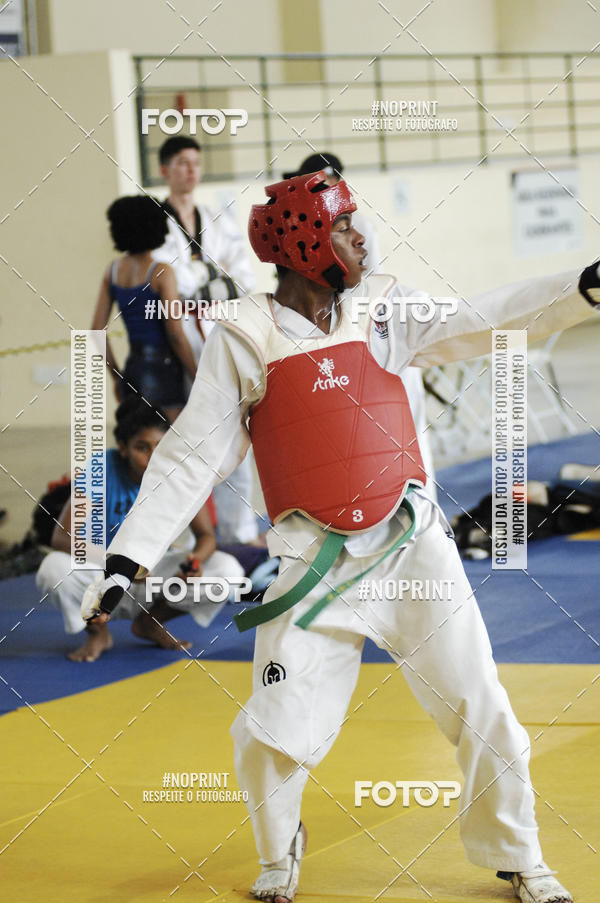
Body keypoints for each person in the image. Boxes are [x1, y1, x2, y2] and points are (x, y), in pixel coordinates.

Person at [81, 172, 596, 902]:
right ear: (302, 242)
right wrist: (124, 559)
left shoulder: (384, 307)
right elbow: (192, 451)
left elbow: (482, 316)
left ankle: (517, 851)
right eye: (345, 226)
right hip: (309, 561)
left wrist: (581, 287)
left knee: (481, 700)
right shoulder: (245, 333)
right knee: (271, 729)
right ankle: (280, 844)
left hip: (411, 545)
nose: (362, 237)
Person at [36, 397, 244, 662]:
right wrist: (120, 563)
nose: (152, 456)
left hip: (152, 576)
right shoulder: (102, 469)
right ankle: (98, 632)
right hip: (101, 575)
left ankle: (151, 622)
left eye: (160, 446)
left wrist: (195, 562)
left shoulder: (180, 473)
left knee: (228, 572)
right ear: (123, 448)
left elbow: (206, 537)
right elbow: (61, 537)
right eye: (141, 448)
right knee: (53, 568)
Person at [284, 151, 437, 501]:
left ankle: (420, 502)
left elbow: (368, 280)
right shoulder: (302, 227)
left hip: (376, 328)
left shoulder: (357, 225)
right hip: (335, 335)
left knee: (406, 423)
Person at [155, 135, 262, 543]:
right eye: (181, 163)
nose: (190, 170)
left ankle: (240, 530)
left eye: (195, 163)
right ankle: (187, 536)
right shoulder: (156, 222)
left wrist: (214, 282)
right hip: (179, 336)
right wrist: (207, 280)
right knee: (183, 438)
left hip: (221, 327)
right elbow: (169, 280)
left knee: (234, 425)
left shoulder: (215, 216)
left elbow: (242, 273)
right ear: (165, 169)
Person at [91, 195, 197, 422]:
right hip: (163, 370)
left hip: (133, 368)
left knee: (140, 444)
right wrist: (198, 375)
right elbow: (175, 334)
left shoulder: (112, 270)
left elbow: (96, 331)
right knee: (170, 447)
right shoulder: (162, 272)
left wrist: (117, 377)